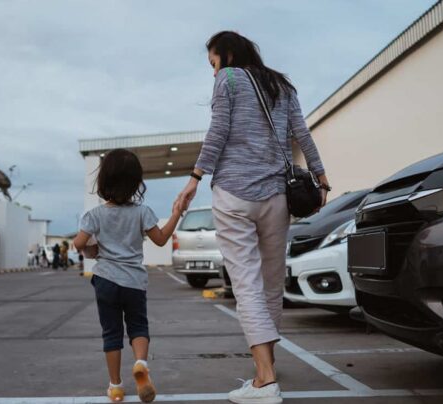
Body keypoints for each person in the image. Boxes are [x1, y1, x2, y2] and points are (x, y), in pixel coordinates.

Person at [175, 31, 330, 404]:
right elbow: (301, 134)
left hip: (233, 194)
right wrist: (321, 174)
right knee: (271, 286)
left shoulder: (229, 79)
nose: (213, 74)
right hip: (277, 196)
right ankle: (267, 369)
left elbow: (219, 131)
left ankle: (265, 379)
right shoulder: (281, 84)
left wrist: (194, 178)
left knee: (246, 285)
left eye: (213, 63)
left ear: (227, 54)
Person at [73, 149, 183, 403]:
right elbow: (161, 238)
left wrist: (92, 248)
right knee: (138, 327)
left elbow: (79, 244)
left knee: (111, 333)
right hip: (134, 282)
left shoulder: (95, 215)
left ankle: (116, 386)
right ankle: (141, 364)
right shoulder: (142, 212)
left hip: (106, 281)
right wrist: (176, 211)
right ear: (136, 182)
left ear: (104, 181)